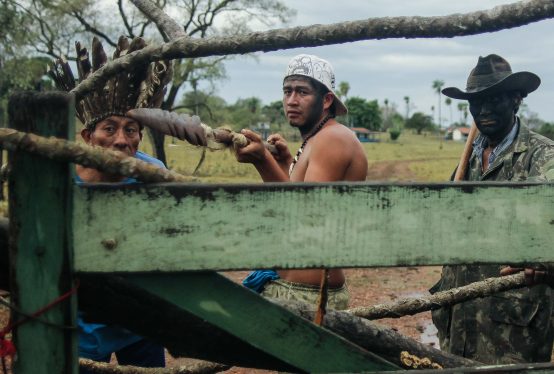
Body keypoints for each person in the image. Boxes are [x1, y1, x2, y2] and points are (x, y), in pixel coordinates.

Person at [48, 36, 205, 372]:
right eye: (110, 128)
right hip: (78, 317)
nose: (122, 140)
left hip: (140, 316)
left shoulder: (154, 174)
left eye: (131, 129)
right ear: (87, 136)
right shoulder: (57, 179)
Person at [430, 54, 554, 364]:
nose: (483, 109)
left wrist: (546, 261)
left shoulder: (544, 158)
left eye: (493, 98)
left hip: (512, 329)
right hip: (458, 321)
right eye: (476, 101)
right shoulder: (468, 157)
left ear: (516, 99)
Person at [237, 54, 368, 310]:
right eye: (287, 91)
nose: (292, 101)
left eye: (302, 92)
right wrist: (285, 162)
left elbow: (305, 216)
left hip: (307, 294)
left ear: (327, 99)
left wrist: (263, 161)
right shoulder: (317, 139)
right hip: (295, 287)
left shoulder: (333, 139)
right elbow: (301, 192)